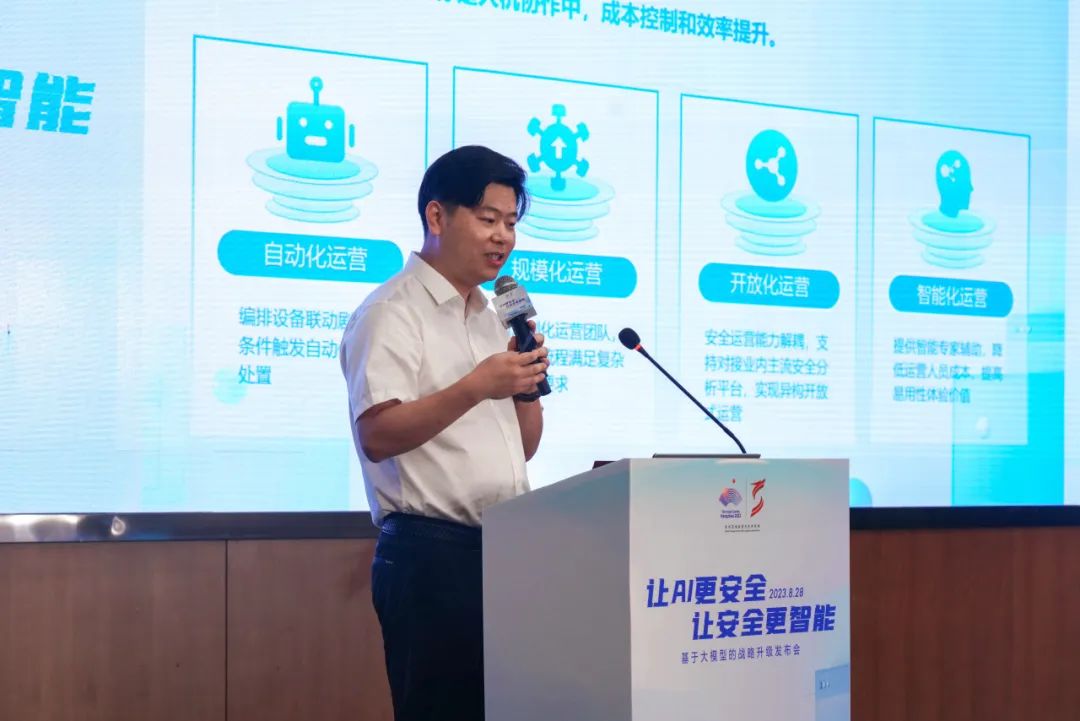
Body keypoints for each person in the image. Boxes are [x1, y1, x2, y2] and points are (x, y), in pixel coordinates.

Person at [339, 144, 548, 721]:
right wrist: (478, 385)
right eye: (487, 219)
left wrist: (524, 385)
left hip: (501, 551)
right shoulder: (391, 311)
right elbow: (377, 434)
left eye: (511, 223)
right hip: (430, 557)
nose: (503, 237)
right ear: (437, 216)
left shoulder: (491, 317)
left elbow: (523, 447)